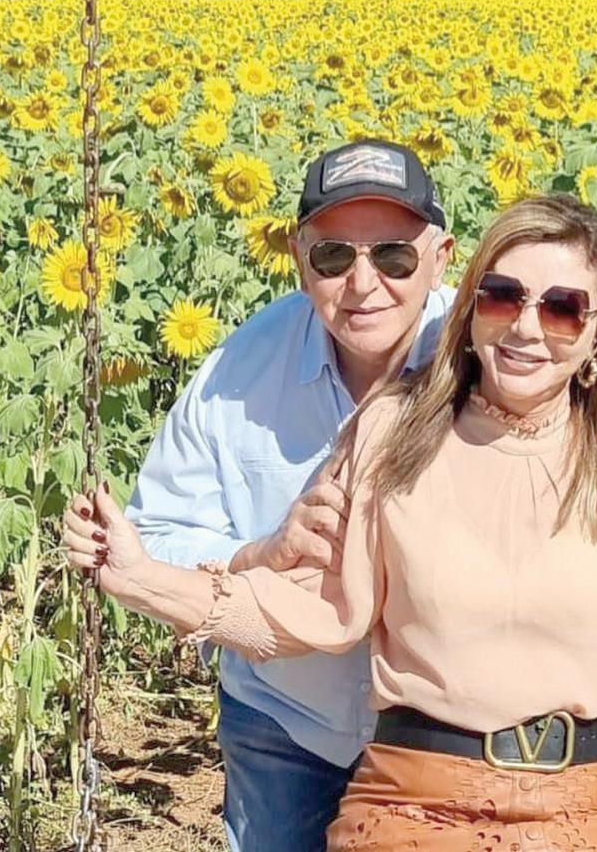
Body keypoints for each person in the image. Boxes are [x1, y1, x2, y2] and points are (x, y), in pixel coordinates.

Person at [65, 194, 597, 851]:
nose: (526, 327)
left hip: (591, 813)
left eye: (564, 308)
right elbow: (305, 607)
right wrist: (144, 578)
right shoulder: (394, 433)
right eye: (505, 296)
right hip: (415, 811)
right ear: (473, 305)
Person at [121, 139, 456, 851]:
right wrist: (259, 551)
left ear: (440, 257)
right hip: (285, 721)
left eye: (393, 255)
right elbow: (151, 533)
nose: (364, 284)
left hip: (441, 732)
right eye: (335, 257)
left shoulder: (493, 355)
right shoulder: (240, 373)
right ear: (300, 261)